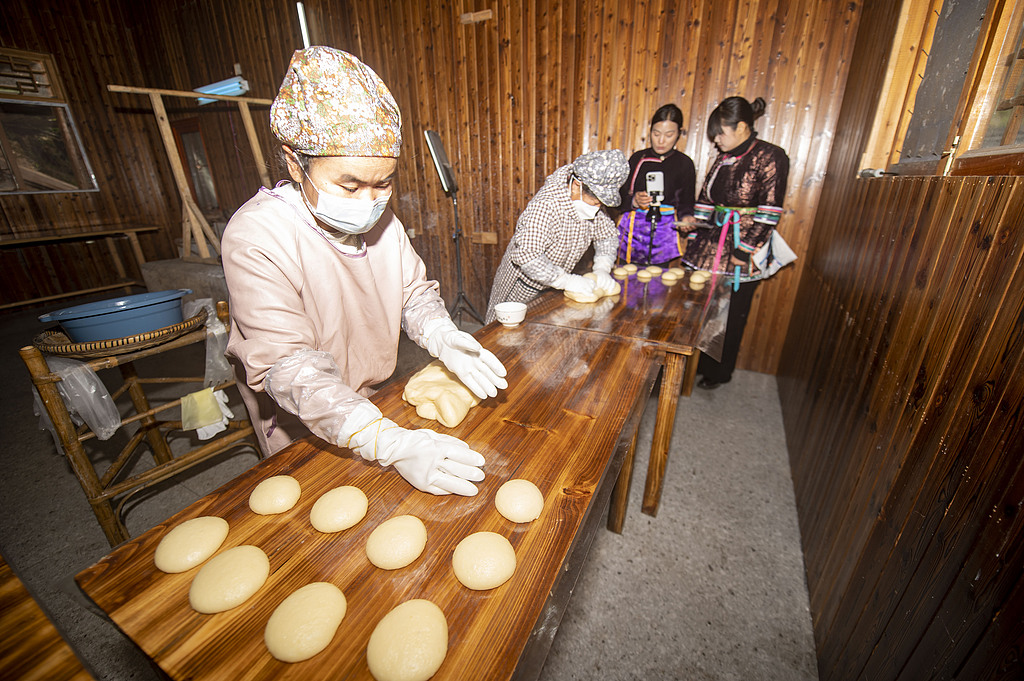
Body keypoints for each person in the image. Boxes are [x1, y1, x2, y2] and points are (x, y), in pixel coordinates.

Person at [221, 46, 507, 496]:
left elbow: (412, 293)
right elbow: (289, 367)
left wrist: (442, 335)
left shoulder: (383, 223)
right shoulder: (257, 235)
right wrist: (388, 443)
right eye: (349, 185)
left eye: (383, 183)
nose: (368, 202)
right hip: (303, 414)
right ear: (296, 162)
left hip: (374, 398)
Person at [678, 96, 789, 389]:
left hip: (744, 245)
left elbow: (770, 211)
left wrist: (744, 250)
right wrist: (693, 228)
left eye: (720, 133)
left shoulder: (771, 156)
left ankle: (717, 372)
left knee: (732, 314)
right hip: (710, 243)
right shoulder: (723, 157)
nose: (716, 140)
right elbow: (705, 201)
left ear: (741, 127)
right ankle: (692, 366)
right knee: (700, 308)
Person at [485, 149, 629, 322]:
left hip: (554, 285)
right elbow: (528, 255)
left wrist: (603, 268)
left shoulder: (589, 201)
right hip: (522, 285)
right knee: (506, 332)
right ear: (576, 186)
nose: (598, 208)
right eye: (596, 202)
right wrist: (565, 280)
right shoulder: (545, 206)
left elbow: (607, 237)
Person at [617, 104, 696, 266]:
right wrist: (634, 200)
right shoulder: (638, 159)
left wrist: (686, 217)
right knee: (625, 276)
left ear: (678, 133)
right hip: (633, 232)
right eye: (656, 133)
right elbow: (619, 197)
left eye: (669, 135)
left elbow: (686, 201)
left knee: (659, 278)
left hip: (665, 234)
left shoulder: (684, 163)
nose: (661, 141)